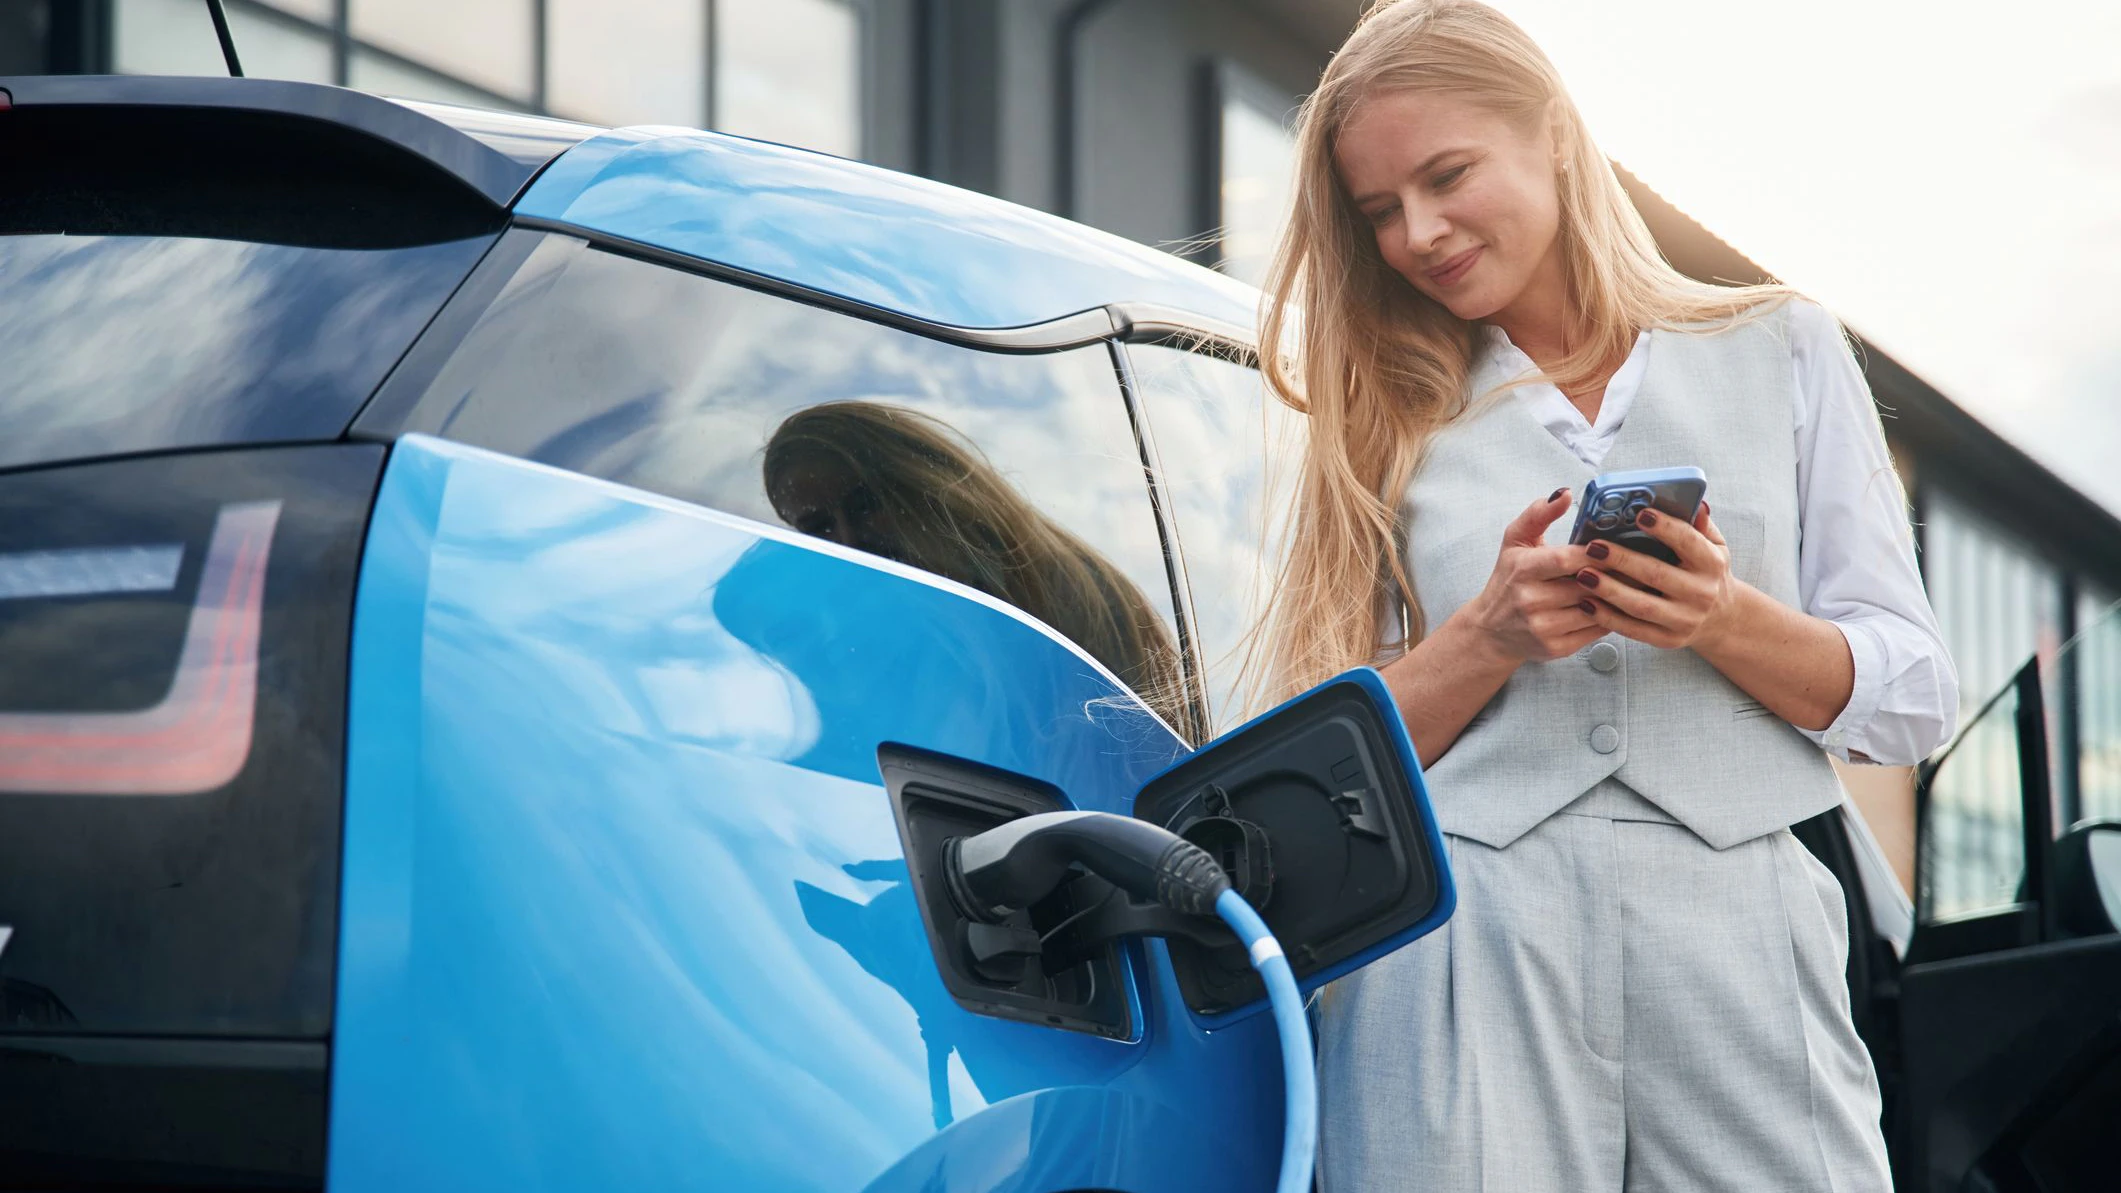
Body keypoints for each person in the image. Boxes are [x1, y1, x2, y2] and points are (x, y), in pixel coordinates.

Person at [1239, 2, 1961, 1188]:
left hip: (1741, 923)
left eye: (1447, 175)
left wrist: (1724, 618)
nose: (1419, 233)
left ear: (1557, 136)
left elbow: (1912, 698)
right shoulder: (1381, 412)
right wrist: (1484, 636)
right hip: (1465, 941)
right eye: (1379, 211)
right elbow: (1317, 763)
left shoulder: (1782, 344)